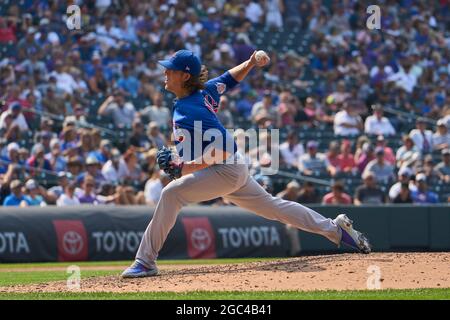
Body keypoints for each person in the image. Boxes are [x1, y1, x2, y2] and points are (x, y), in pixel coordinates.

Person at [122, 50, 371, 278]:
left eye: (170, 69)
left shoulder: (192, 109)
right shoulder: (204, 91)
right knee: (275, 208)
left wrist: (183, 167)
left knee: (171, 194)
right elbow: (229, 79)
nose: (165, 73)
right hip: (231, 169)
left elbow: (225, 149)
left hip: (224, 169)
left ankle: (145, 261)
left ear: (185, 76)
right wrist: (250, 62)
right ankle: (337, 231)